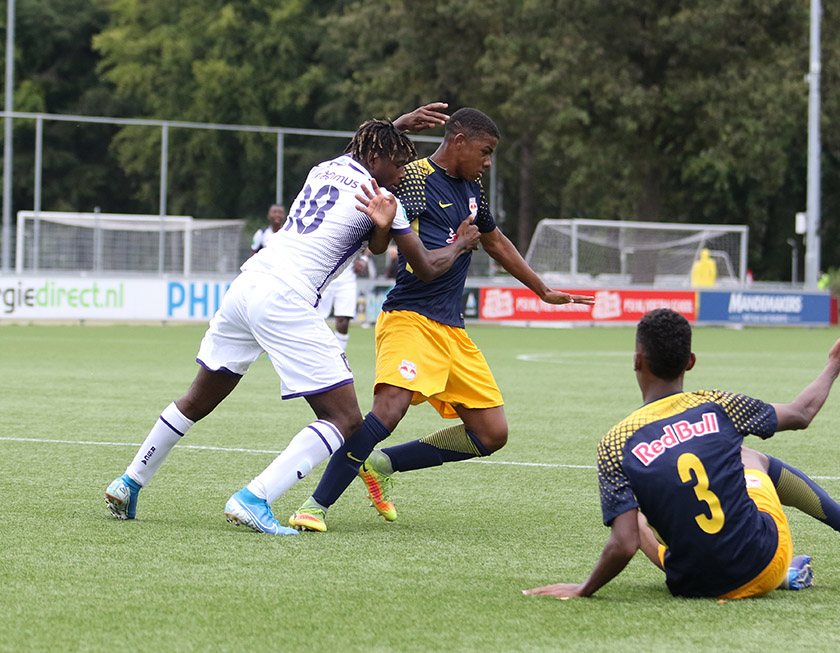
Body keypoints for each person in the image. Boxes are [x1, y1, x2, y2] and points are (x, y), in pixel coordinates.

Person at [104, 104, 481, 534]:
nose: (401, 173)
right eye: (397, 164)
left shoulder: (326, 168)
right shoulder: (385, 198)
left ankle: (130, 480)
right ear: (379, 158)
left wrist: (394, 127)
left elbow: (367, 163)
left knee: (197, 398)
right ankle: (255, 497)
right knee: (345, 420)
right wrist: (462, 243)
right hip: (285, 297)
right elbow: (429, 267)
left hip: (246, 286)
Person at [289, 106, 595, 531]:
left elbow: (496, 241)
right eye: (485, 152)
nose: (488, 162)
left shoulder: (473, 190)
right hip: (410, 318)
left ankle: (381, 464)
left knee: (491, 433)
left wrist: (542, 290)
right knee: (389, 410)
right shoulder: (412, 177)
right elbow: (372, 174)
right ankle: (314, 506)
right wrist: (393, 127)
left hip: (452, 329)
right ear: (458, 142)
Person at [524, 309, 840, 600]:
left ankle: (777, 573)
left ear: (637, 360)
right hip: (764, 562)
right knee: (748, 456)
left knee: (636, 516)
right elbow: (801, 414)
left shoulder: (615, 442)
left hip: (693, 586)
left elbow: (624, 543)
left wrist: (585, 589)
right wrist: (835, 364)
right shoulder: (718, 404)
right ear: (690, 362)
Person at [316, 254, 369, 351]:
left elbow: (370, 243)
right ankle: (316, 353)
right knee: (317, 319)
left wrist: (364, 259)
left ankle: (339, 356)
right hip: (323, 276)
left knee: (343, 322)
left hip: (347, 279)